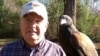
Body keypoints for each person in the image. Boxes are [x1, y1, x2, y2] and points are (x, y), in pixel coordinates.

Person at [0, 0, 66, 56]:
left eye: (38, 21)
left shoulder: (57, 52)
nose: (32, 25)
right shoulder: (7, 51)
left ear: (46, 26)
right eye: (28, 20)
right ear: (20, 23)